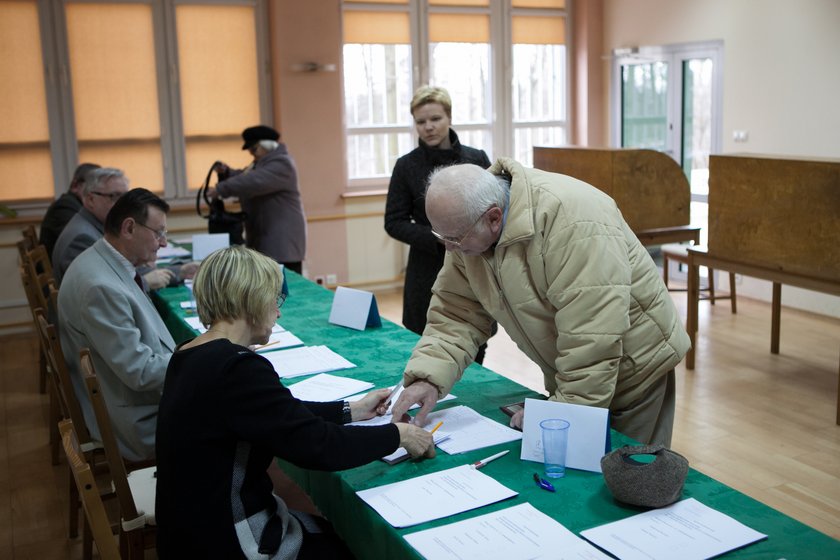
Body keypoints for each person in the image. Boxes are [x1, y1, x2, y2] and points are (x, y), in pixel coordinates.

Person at [155, 246, 434, 559]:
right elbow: (317, 445)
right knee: (357, 546)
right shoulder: (237, 367)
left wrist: (352, 410)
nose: (278, 312)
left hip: (189, 529)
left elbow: (277, 414)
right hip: (229, 539)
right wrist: (400, 435)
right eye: (275, 299)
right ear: (252, 298)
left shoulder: (190, 352)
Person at [391, 159, 691, 446]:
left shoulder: (573, 220)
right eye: (441, 236)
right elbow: (458, 314)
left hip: (636, 369)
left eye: (454, 239)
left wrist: (561, 413)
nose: (448, 247)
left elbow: (592, 335)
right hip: (579, 369)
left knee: (625, 473)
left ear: (494, 218)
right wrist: (428, 379)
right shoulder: (468, 228)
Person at [58, 188, 175, 462]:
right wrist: (197, 358)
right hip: (135, 421)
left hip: (125, 398)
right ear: (129, 228)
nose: (163, 243)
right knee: (230, 416)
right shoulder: (100, 286)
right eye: (158, 233)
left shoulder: (102, 260)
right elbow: (140, 372)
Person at [384, 85, 494, 363]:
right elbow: (394, 222)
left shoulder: (476, 158)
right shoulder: (406, 165)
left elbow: (497, 207)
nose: (428, 127)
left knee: (473, 342)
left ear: (449, 118)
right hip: (426, 269)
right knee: (424, 343)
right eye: (421, 122)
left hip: (475, 265)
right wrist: (438, 238)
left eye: (435, 119)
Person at [52, 167, 195, 289]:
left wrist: (179, 271)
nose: (123, 204)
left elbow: (128, 271)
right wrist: (143, 282)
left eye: (125, 197)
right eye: (114, 196)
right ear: (90, 199)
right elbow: (103, 290)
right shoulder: (82, 238)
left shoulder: (96, 226)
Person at [210, 125, 307, 274]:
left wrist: (221, 189)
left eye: (253, 149)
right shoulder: (263, 163)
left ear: (266, 146)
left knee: (285, 289)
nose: (251, 153)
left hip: (281, 242)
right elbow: (245, 176)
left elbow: (254, 181)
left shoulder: (282, 164)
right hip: (267, 236)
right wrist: (227, 172)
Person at [39, 162, 101, 259]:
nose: (98, 190)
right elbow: (83, 239)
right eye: (93, 185)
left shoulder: (74, 203)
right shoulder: (64, 206)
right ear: (75, 186)